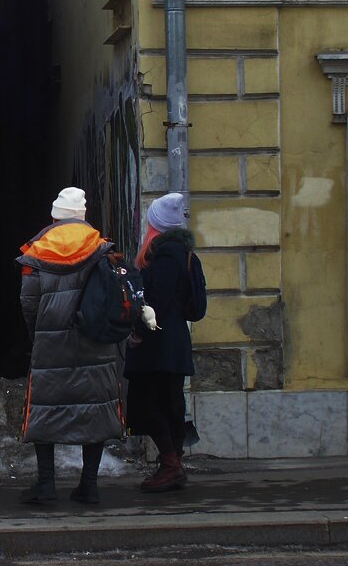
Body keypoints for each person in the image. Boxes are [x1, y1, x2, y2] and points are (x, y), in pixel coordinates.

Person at [16, 186, 124, 505]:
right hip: (96, 342)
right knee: (96, 408)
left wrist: (40, 337)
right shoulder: (104, 249)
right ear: (82, 217)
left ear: (54, 217)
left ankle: (46, 485)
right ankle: (88, 485)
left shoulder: (37, 250)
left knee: (46, 409)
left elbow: (28, 302)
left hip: (52, 343)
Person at [124, 191, 208, 493]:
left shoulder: (165, 254)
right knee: (169, 403)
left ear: (155, 225)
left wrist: (138, 332)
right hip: (173, 341)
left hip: (158, 343)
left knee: (148, 404)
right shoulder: (183, 252)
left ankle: (171, 465)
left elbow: (154, 300)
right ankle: (172, 463)